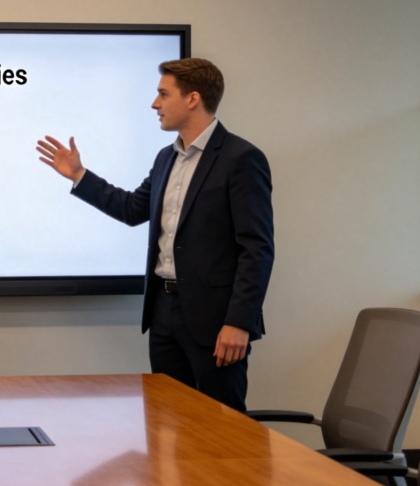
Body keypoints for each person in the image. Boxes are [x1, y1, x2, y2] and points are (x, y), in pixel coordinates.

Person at [36, 57, 273, 412]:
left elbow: (256, 249)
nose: (154, 104)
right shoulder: (166, 158)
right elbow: (133, 209)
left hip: (215, 321)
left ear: (192, 99)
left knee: (223, 428)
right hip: (163, 312)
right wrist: (79, 175)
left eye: (163, 94)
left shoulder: (241, 158)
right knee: (167, 422)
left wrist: (239, 322)